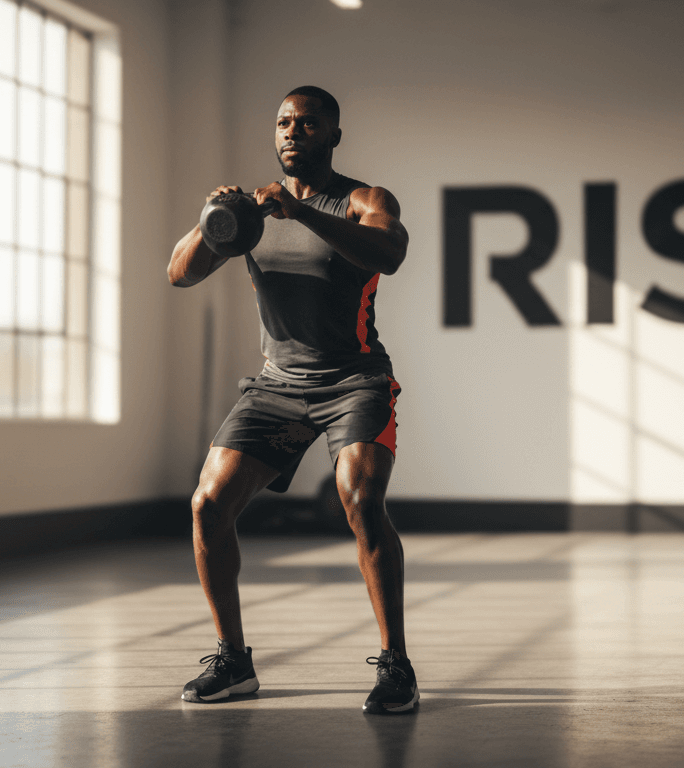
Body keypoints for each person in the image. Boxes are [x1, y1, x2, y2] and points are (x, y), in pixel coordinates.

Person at [166, 86, 416, 714]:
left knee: (361, 498)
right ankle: (233, 662)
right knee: (207, 505)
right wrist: (212, 223)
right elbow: (179, 272)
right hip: (278, 385)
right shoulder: (252, 213)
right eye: (282, 123)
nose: (291, 133)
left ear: (334, 135)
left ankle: (397, 667)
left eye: (307, 124)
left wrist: (300, 213)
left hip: (354, 379)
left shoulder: (363, 200)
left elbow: (391, 252)